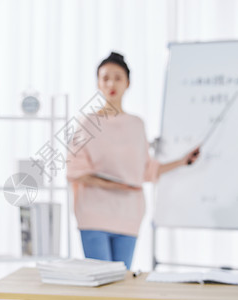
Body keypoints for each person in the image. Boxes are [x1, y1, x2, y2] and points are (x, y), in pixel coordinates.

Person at [66, 52, 200, 270]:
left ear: (128, 83)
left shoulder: (137, 124)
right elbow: (75, 170)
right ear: (98, 83)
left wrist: (183, 161)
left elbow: (146, 171)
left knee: (121, 283)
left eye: (118, 78)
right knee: (100, 282)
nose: (111, 83)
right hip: (93, 215)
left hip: (128, 215)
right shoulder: (87, 123)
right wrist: (117, 185)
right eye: (105, 78)